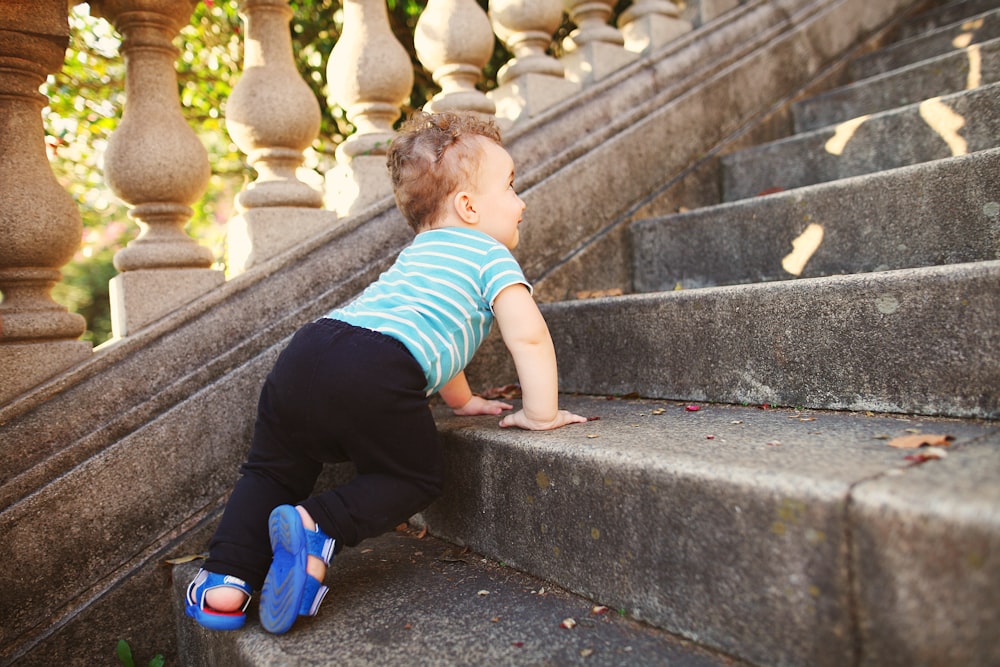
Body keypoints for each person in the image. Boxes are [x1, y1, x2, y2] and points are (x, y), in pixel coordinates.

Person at [185, 111, 588, 634]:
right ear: (468, 206)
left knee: (271, 471)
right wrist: (542, 413)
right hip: (373, 368)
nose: (522, 200)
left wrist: (461, 401)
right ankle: (317, 525)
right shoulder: (490, 256)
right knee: (414, 475)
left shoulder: (418, 256)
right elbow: (528, 334)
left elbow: (434, 339)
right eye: (511, 187)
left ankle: (225, 582)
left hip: (308, 351)